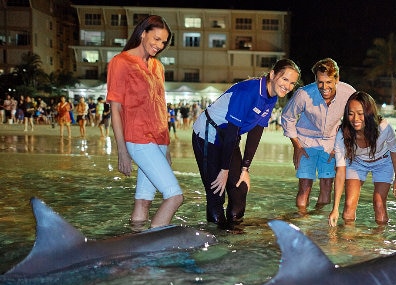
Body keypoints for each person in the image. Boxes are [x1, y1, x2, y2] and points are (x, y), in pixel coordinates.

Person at [192, 58, 300, 227]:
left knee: (240, 189)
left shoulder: (271, 97)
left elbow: (256, 131)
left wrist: (245, 168)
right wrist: (224, 169)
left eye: (292, 83)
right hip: (208, 135)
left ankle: (235, 237)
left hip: (230, 138)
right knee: (216, 193)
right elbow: (231, 131)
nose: (287, 86)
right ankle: (216, 241)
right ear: (273, 75)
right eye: (285, 79)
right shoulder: (248, 91)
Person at [107, 15, 183, 228]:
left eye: (163, 42)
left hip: (158, 139)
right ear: (143, 33)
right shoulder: (120, 62)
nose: (159, 45)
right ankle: (154, 249)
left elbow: (160, 106)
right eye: (156, 39)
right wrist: (122, 150)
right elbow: (116, 108)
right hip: (138, 139)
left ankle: (136, 245)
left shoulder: (158, 67)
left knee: (144, 200)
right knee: (175, 197)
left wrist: (166, 147)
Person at [281, 58, 356, 213]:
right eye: (320, 82)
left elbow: (356, 119)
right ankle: (302, 221)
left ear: (337, 79)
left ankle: (318, 222)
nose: (324, 87)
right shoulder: (303, 94)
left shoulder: (349, 93)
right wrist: (297, 146)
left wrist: (342, 145)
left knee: (327, 185)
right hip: (305, 143)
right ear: (315, 79)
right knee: (305, 186)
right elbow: (287, 117)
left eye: (329, 82)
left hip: (331, 143)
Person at [328, 91, 396, 226]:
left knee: (379, 203)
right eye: (351, 114)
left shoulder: (384, 128)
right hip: (357, 163)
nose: (355, 119)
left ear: (369, 113)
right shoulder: (342, 134)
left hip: (383, 163)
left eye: (360, 113)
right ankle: (348, 242)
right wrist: (335, 209)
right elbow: (340, 172)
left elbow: (394, 151)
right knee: (349, 205)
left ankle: (379, 240)